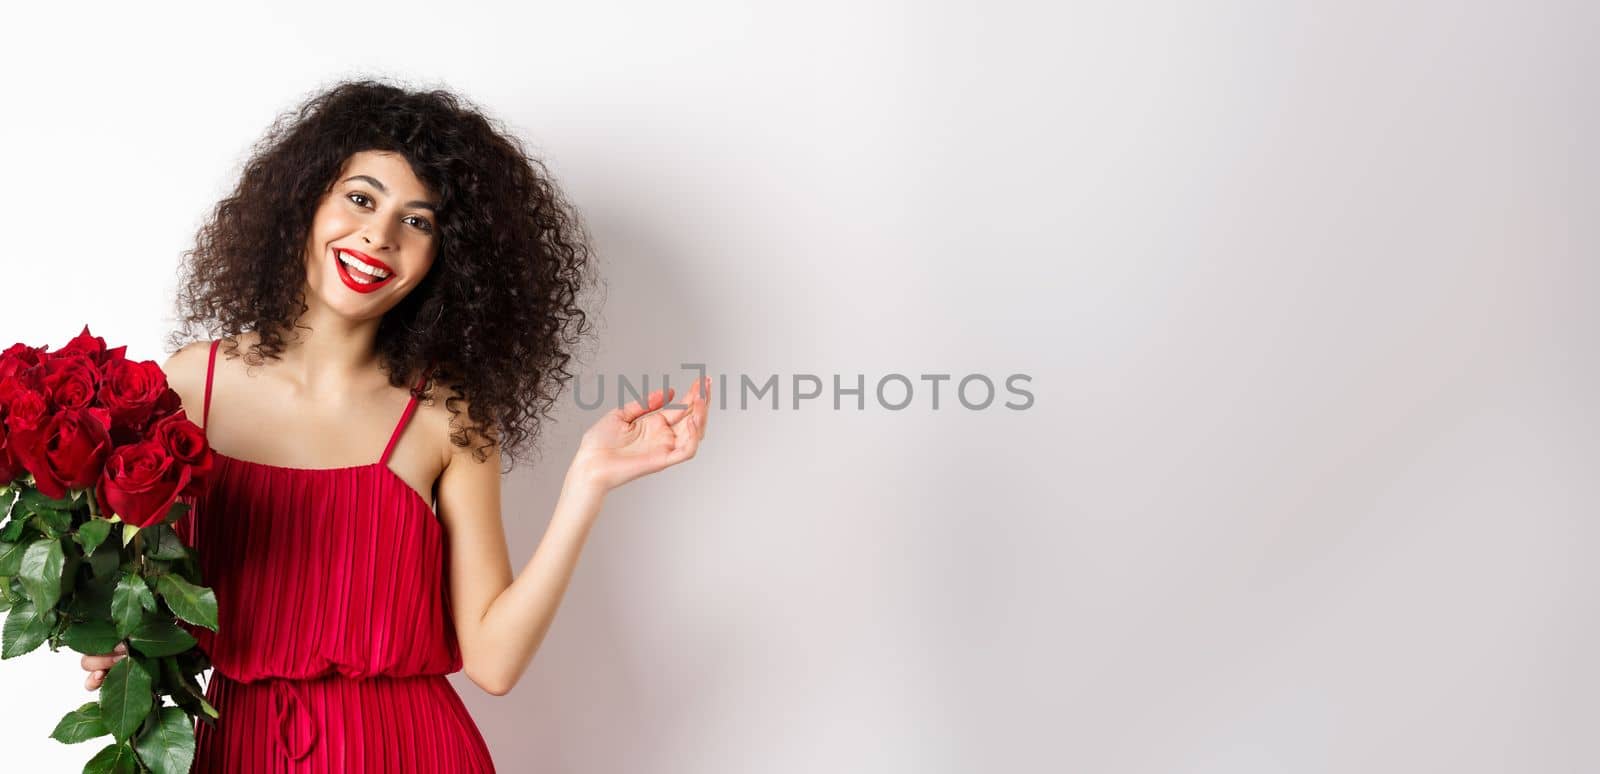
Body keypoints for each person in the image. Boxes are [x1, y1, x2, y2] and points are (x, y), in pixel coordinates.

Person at [76, 78, 710, 771]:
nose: (379, 235)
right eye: (361, 198)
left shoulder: (446, 416)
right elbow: (164, 604)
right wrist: (115, 636)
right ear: (305, 202)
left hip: (410, 751)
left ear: (448, 257)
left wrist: (586, 484)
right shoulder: (190, 386)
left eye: (418, 220)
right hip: (242, 748)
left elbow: (493, 663)